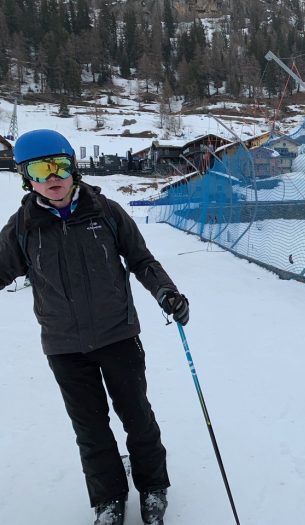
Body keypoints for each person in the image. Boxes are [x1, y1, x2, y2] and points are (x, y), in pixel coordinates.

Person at [0, 129, 190, 525]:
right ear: (26, 177)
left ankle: (153, 487)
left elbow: (141, 260)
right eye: (40, 169)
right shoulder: (23, 226)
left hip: (118, 336)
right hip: (64, 347)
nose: (52, 177)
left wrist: (166, 292)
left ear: (73, 169)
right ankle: (108, 499)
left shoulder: (106, 212)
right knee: (90, 428)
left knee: (137, 416)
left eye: (60, 166)